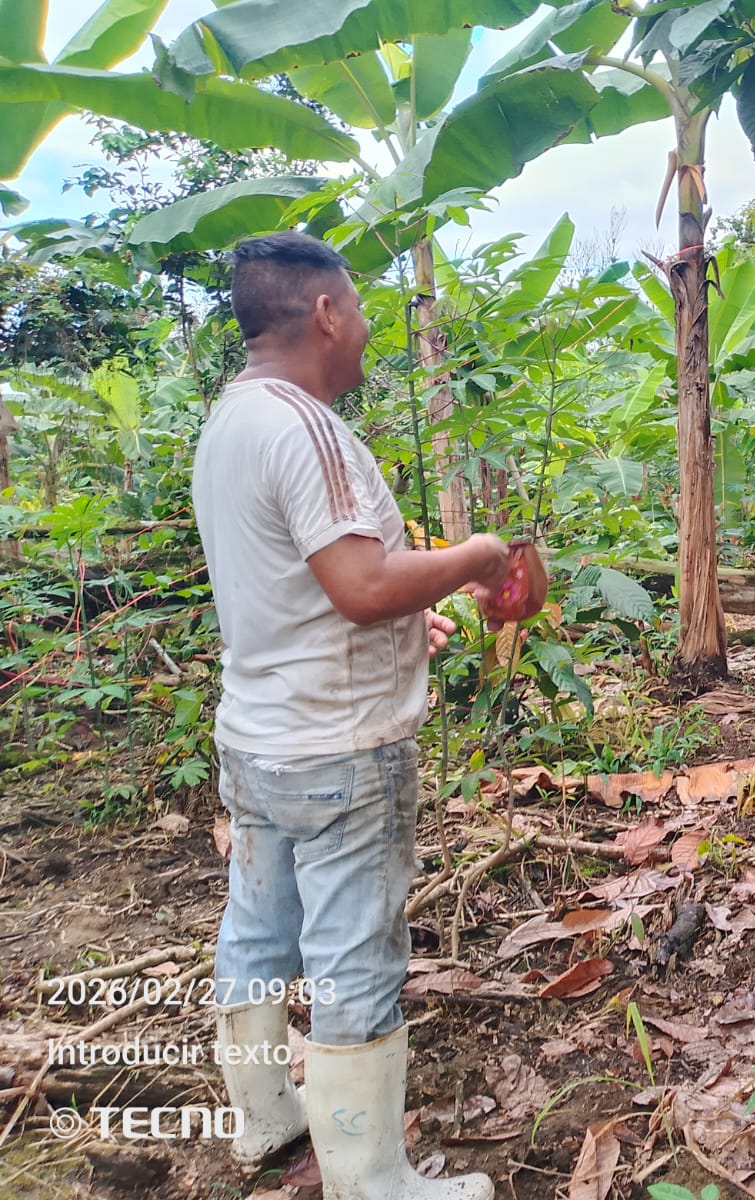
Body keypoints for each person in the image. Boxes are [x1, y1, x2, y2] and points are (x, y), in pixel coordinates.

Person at [193, 231, 509, 1200]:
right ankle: (372, 1180)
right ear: (325, 314)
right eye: (360, 307)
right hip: (339, 750)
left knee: (258, 932)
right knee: (354, 957)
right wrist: (476, 557)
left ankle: (263, 1117)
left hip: (259, 740)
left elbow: (299, 587)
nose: (369, 327)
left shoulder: (231, 421)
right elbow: (362, 584)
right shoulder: (309, 427)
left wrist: (410, 623)